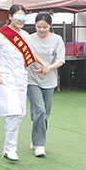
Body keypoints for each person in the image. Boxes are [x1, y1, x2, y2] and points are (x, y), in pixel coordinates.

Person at [0, 5, 48, 162]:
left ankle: (9, 147)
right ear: (10, 17)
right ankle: (10, 149)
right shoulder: (1, 35)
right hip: (5, 78)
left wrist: (43, 63)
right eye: (17, 17)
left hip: (21, 78)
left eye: (23, 18)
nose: (20, 20)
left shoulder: (25, 35)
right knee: (13, 112)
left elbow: (31, 53)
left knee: (20, 115)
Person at [27, 12, 65, 157]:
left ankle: (35, 138)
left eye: (45, 27)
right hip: (32, 79)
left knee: (45, 114)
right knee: (39, 110)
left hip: (49, 80)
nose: (41, 30)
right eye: (38, 27)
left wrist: (48, 68)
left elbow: (60, 60)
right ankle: (40, 144)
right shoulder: (29, 38)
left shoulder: (57, 39)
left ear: (50, 26)